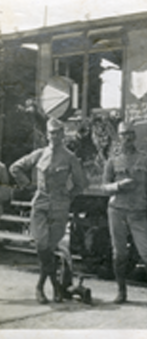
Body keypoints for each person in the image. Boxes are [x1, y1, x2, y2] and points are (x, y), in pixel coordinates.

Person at [9, 118, 87, 304]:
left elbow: (80, 183)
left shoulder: (70, 157)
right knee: (42, 246)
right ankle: (51, 285)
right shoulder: (40, 154)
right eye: (52, 133)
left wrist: (67, 196)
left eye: (59, 132)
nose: (55, 136)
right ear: (47, 135)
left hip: (59, 207)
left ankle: (44, 287)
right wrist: (27, 185)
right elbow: (15, 168)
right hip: (41, 205)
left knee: (49, 248)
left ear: (63, 134)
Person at [102, 121, 147, 304]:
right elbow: (104, 187)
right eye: (123, 134)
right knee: (119, 254)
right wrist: (118, 185)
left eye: (130, 134)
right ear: (119, 137)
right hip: (117, 211)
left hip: (138, 213)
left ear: (134, 137)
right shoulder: (112, 160)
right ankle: (121, 292)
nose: (127, 138)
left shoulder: (145, 160)